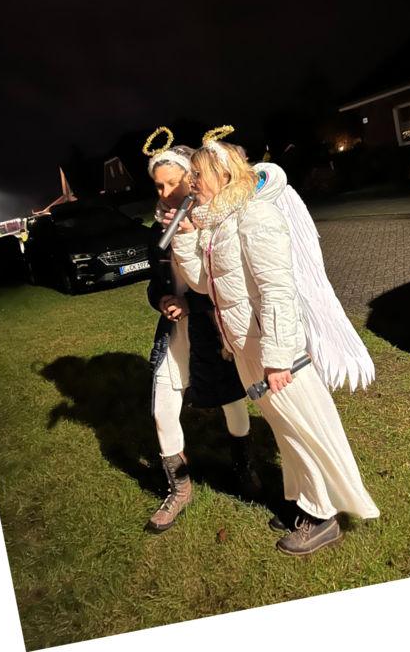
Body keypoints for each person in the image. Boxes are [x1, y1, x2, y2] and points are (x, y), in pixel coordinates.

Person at [163, 126, 380, 556]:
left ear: (224, 175)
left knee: (304, 430)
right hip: (246, 349)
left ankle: (323, 517)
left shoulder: (255, 217)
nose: (191, 184)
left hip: (275, 354)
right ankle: (303, 501)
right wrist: (185, 239)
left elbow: (279, 291)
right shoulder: (218, 224)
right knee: (285, 431)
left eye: (197, 175)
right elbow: (205, 286)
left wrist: (279, 358)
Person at [144, 129, 261, 534]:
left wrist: (191, 304)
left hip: (213, 328)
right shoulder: (157, 230)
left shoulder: (214, 221)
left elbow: (224, 284)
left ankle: (243, 465)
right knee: (162, 406)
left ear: (191, 177)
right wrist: (162, 299)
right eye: (158, 186)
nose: (166, 193)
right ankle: (180, 489)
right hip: (175, 331)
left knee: (232, 399)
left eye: (172, 182)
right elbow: (156, 283)